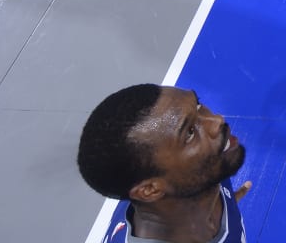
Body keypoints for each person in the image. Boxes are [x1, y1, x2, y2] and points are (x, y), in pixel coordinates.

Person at [77, 84, 251, 243]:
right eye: (190, 132)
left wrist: (224, 206)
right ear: (150, 189)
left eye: (198, 105)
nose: (217, 120)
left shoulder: (202, 173)